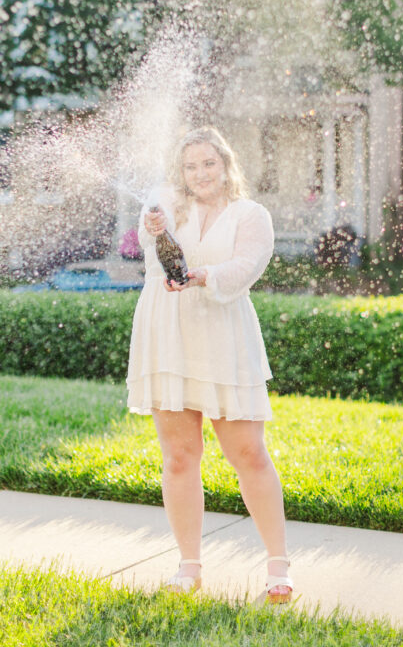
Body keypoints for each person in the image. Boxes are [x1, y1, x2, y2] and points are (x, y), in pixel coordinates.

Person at [126, 126, 293, 603]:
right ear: (180, 172)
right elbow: (155, 254)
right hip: (167, 335)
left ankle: (278, 566)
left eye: (208, 163)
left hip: (223, 338)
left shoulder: (250, 215)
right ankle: (189, 566)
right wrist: (155, 232)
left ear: (226, 165)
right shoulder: (167, 208)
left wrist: (204, 276)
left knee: (248, 454)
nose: (200, 173)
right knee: (179, 456)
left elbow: (245, 268)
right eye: (190, 166)